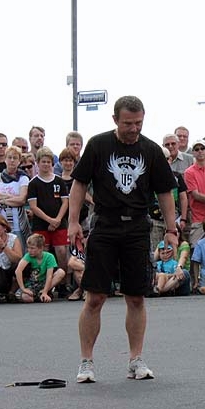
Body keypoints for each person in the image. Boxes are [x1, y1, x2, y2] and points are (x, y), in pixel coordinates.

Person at [68, 95, 177, 384]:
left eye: (138, 122)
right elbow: (79, 184)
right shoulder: (98, 145)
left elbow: (165, 192)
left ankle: (135, 360)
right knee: (95, 297)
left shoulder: (151, 150)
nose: (133, 128)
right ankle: (86, 362)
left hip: (137, 229)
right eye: (128, 123)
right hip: (104, 226)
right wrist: (73, 221)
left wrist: (171, 229)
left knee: (136, 297)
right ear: (115, 120)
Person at [26, 147, 70, 292]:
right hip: (41, 223)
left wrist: (57, 219)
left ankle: (63, 283)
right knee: (42, 253)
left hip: (60, 223)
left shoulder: (59, 181)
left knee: (61, 251)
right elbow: (33, 206)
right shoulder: (33, 183)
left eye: (49, 162)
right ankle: (44, 284)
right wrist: (49, 220)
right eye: (43, 162)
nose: (46, 164)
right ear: (38, 163)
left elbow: (65, 202)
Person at [0, 146, 30, 247]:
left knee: (18, 251)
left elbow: (21, 200)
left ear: (19, 161)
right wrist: (10, 197)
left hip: (17, 223)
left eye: (15, 158)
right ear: (5, 159)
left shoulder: (23, 178)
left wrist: (0, 199)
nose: (12, 160)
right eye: (9, 157)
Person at [183, 141, 205, 246]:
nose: (200, 151)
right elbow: (195, 195)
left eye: (202, 148)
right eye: (196, 149)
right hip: (199, 218)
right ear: (193, 152)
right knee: (196, 250)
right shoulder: (189, 172)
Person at [15, 233, 66, 303]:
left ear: (41, 248)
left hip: (43, 283)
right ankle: (39, 296)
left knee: (61, 272)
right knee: (27, 299)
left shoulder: (49, 257)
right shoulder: (28, 256)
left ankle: (44, 293)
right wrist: (23, 288)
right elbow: (18, 271)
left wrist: (45, 291)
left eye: (32, 248)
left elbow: (49, 276)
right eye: (28, 248)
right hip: (30, 285)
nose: (29, 250)